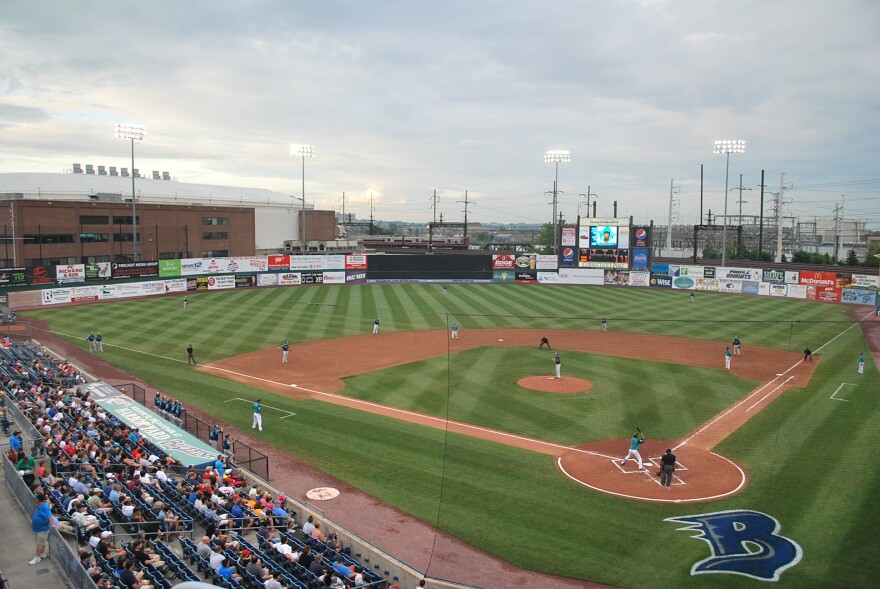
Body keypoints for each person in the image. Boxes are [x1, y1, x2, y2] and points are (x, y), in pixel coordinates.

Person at [30, 493, 52, 565]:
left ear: (38, 500)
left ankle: (37, 557)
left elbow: (50, 517)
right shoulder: (41, 505)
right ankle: (42, 553)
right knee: (42, 542)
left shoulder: (45, 507)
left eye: (36, 498)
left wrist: (53, 524)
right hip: (39, 528)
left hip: (42, 529)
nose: (35, 499)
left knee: (40, 544)